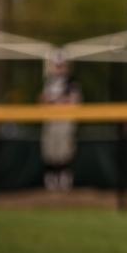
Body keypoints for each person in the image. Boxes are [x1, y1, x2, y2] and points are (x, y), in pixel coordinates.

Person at [39, 50, 82, 191]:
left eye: (61, 65)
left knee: (65, 152)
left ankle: (65, 180)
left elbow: (74, 102)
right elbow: (42, 101)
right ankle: (50, 179)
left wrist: (57, 101)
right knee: (50, 152)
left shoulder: (71, 83)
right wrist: (57, 101)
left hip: (65, 122)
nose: (58, 68)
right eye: (56, 65)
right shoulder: (49, 83)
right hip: (51, 122)